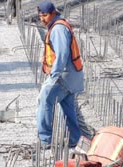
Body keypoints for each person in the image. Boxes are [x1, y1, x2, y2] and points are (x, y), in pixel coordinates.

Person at [36, 0, 84, 148]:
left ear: (53, 13)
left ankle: (45, 141)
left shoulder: (57, 29)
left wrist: (53, 76)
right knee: (67, 106)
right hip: (72, 76)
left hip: (63, 76)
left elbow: (62, 54)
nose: (42, 19)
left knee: (44, 101)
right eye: (40, 16)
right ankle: (75, 139)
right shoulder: (59, 25)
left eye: (45, 15)